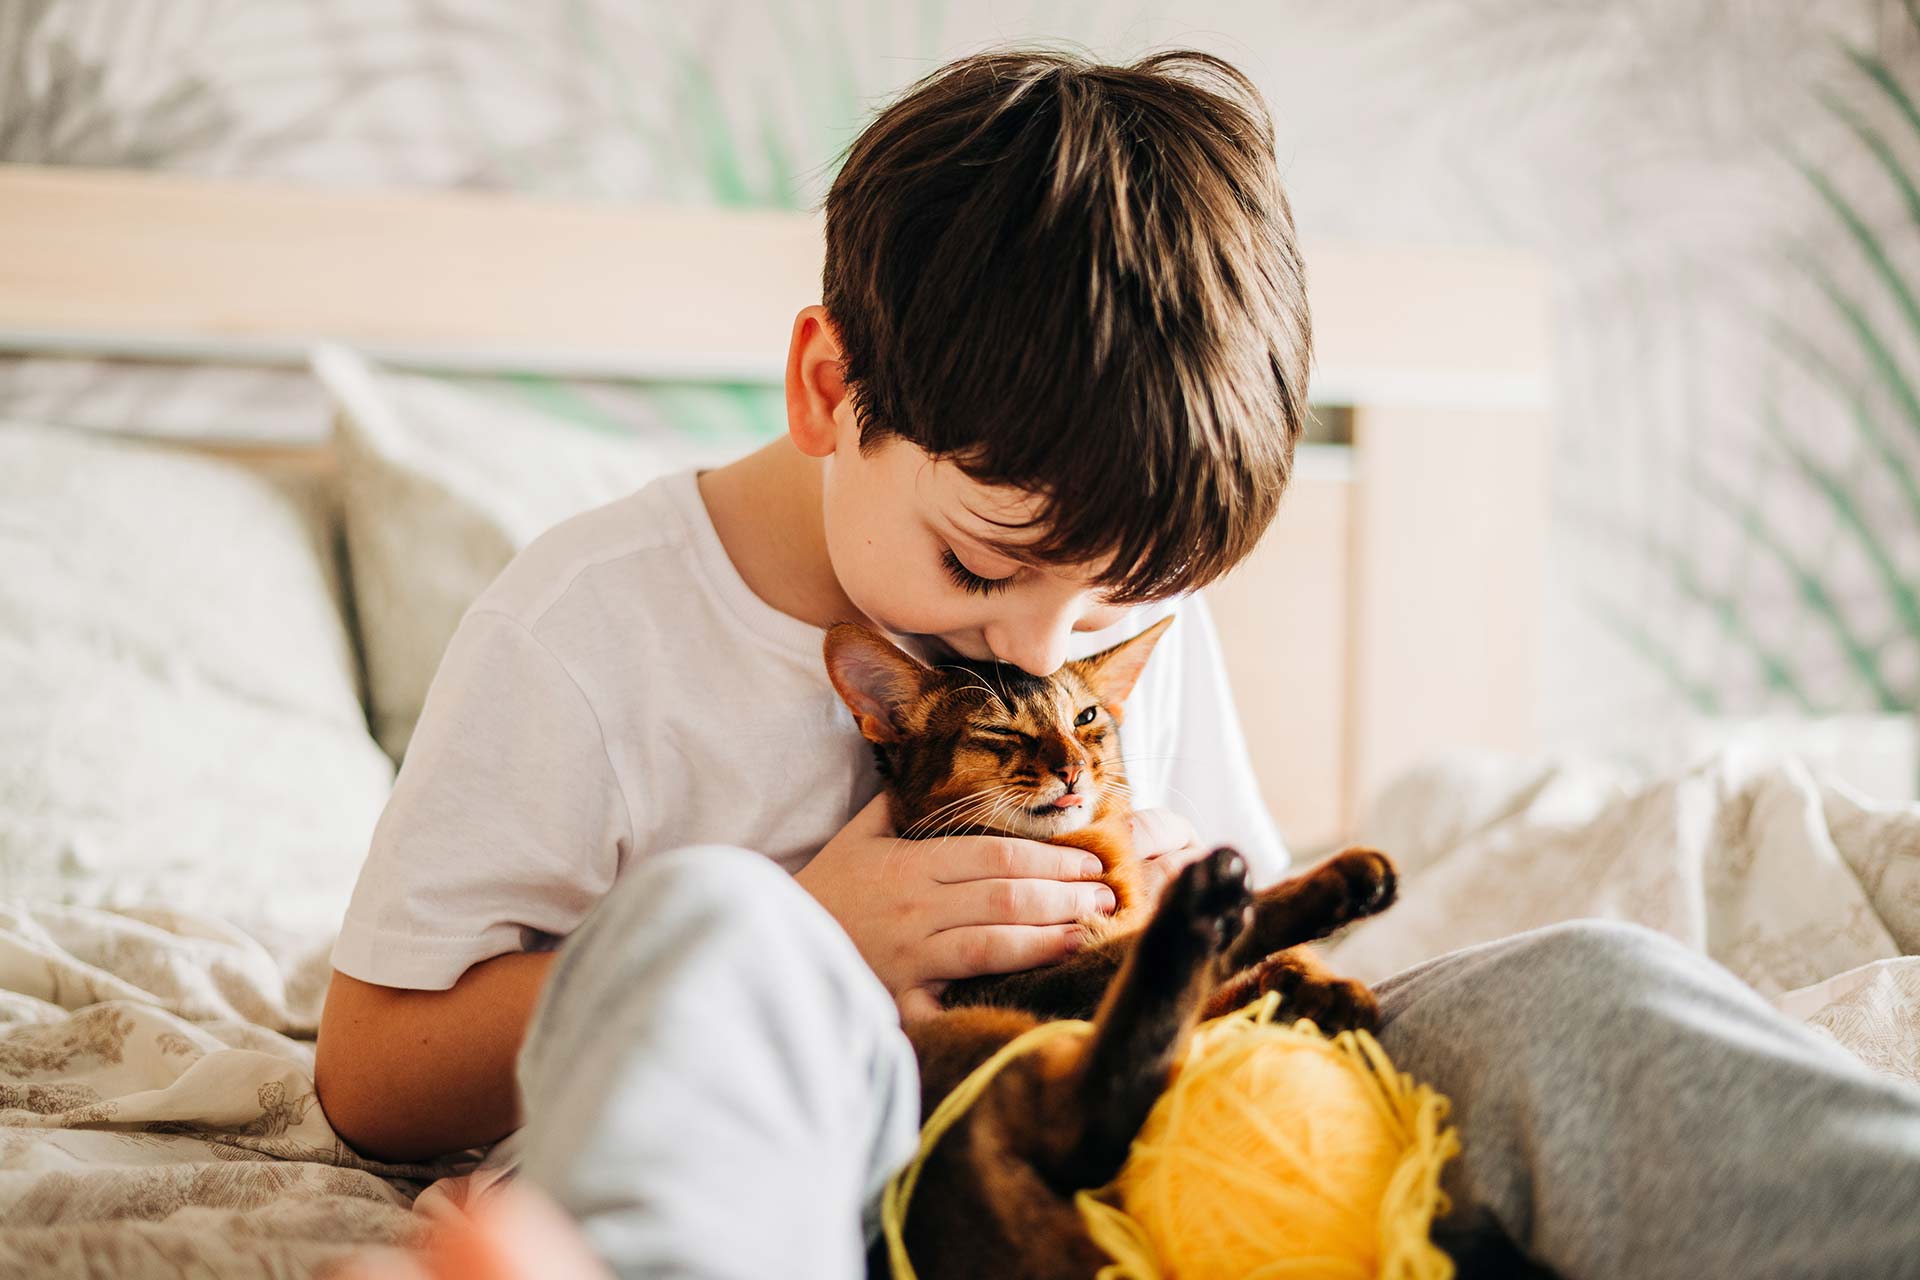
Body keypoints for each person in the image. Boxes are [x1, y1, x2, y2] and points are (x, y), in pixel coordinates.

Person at [316, 48, 1920, 1278]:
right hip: (822, 1161)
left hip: (1127, 1116)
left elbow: (1272, 969)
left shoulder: (1102, 602)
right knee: (712, 924)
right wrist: (813, 930)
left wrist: (1174, 906)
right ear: (829, 388)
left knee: (1579, 986)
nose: (1041, 649)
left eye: (1110, 614)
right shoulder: (589, 623)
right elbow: (371, 1072)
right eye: (979, 567)